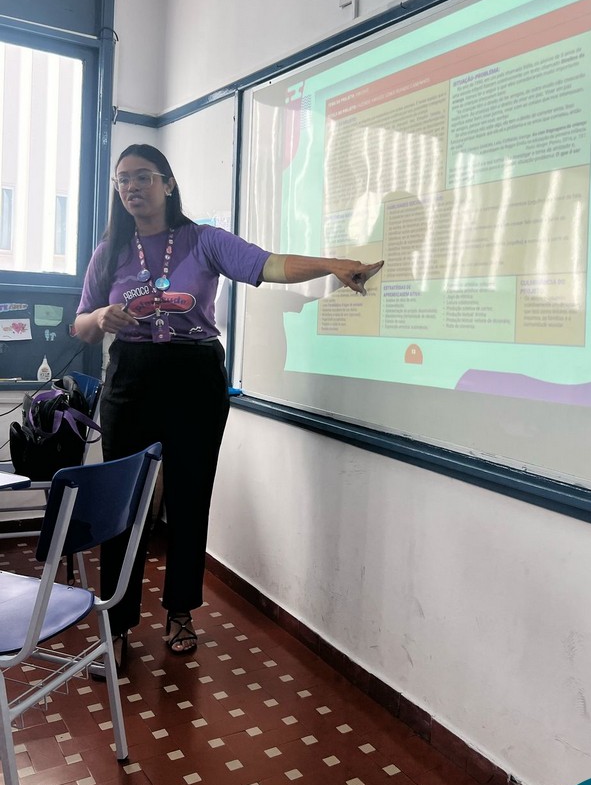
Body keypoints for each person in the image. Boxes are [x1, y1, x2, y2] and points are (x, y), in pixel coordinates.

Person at [75, 143, 383, 660]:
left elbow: (268, 265)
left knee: (190, 497)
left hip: (194, 377)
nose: (131, 187)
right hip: (131, 376)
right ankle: (118, 623)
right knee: (124, 501)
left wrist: (332, 264)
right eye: (122, 179)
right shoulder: (109, 251)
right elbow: (80, 326)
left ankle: (180, 611)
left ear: (168, 183)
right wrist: (101, 317)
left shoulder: (203, 241)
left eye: (143, 176)